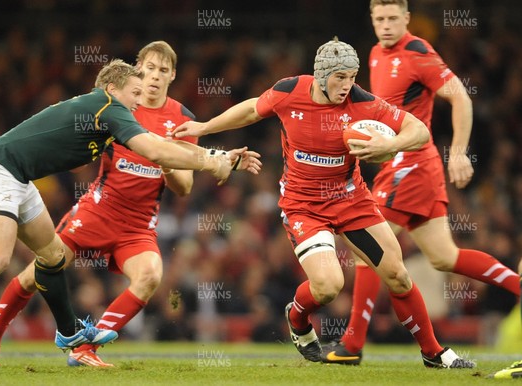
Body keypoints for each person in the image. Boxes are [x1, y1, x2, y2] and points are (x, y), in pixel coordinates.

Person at [0, 58, 261, 370]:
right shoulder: (108, 107)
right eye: (135, 92)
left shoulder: (107, 112)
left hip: (21, 179)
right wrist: (210, 161)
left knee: (52, 256)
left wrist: (220, 155)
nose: (139, 101)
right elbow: (156, 149)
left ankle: (69, 334)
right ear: (113, 89)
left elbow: (165, 148)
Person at [174, 37, 475, 368]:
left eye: (352, 77)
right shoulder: (291, 91)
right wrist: (204, 126)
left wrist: (389, 145)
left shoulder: (363, 103)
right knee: (330, 286)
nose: (347, 85)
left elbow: (418, 130)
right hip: (304, 206)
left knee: (398, 275)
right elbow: (250, 109)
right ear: (320, 75)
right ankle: (298, 317)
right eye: (340, 77)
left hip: (351, 202)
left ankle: (433, 353)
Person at [318, 0, 520, 365]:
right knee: (445, 257)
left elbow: (460, 96)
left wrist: (458, 151)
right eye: (379, 19)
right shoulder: (376, 53)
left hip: (410, 164)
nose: (386, 25)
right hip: (409, 168)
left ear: (407, 19)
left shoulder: (417, 51)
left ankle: (352, 344)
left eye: (393, 18)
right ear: (372, 20)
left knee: (368, 245)